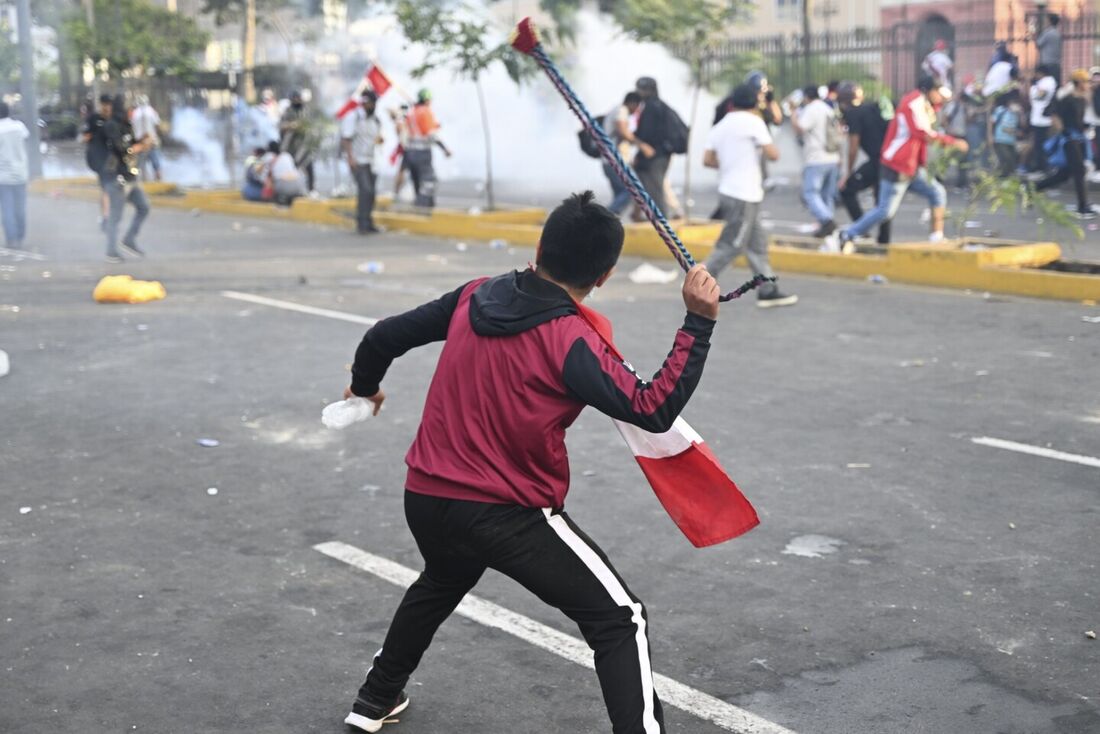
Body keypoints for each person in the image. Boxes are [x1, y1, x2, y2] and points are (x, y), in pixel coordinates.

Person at [339, 190, 721, 734]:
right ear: (605, 276)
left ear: (539, 246)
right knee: (619, 619)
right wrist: (698, 324)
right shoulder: (570, 338)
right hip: (505, 516)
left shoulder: (475, 295)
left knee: (443, 578)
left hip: (426, 497)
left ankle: (374, 700)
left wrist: (364, 388)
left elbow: (382, 337)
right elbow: (651, 408)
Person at [830, 76, 969, 252]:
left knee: (937, 193)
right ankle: (848, 234)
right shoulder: (913, 103)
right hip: (896, 165)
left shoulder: (922, 104)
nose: (940, 97)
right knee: (884, 210)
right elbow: (922, 133)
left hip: (909, 166)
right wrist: (953, 142)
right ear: (929, 90)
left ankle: (936, 238)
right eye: (937, 93)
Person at [702, 84, 797, 308]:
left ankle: (767, 289)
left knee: (757, 245)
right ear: (755, 103)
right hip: (743, 193)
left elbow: (707, 160)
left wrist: (730, 163)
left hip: (730, 190)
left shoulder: (720, 125)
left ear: (732, 103)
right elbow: (773, 154)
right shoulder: (754, 122)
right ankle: (698, 281)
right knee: (731, 244)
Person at [1036, 68, 1095, 219]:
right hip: (1069, 139)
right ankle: (1082, 207)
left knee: (1063, 175)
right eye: (1086, 81)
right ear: (1079, 83)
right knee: (1080, 171)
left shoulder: (1082, 99)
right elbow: (1053, 115)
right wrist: (1063, 131)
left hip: (1080, 138)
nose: (1089, 84)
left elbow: (1080, 121)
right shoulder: (1067, 99)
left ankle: (1033, 189)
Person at [837, 82, 891, 244]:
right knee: (883, 202)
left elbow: (853, 147)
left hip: (878, 161)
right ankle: (883, 240)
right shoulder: (871, 108)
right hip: (888, 160)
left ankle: (861, 229)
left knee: (847, 190)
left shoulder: (853, 114)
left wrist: (848, 173)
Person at [100, 95, 151, 263]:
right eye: (130, 110)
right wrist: (136, 147)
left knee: (143, 207)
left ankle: (129, 238)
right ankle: (111, 250)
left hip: (130, 175)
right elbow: (120, 148)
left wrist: (142, 141)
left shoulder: (126, 125)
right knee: (116, 215)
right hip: (116, 177)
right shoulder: (111, 126)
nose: (132, 113)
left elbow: (130, 143)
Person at [791, 85, 841, 237]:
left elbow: (801, 128)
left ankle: (827, 221)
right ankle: (826, 227)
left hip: (817, 158)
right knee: (827, 195)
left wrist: (793, 112)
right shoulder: (828, 109)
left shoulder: (812, 109)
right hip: (832, 156)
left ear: (806, 97)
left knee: (810, 193)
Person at [632, 76, 686, 217]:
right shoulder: (661, 106)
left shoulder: (650, 108)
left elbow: (647, 134)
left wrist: (639, 154)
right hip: (663, 154)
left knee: (655, 191)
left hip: (654, 156)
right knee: (655, 188)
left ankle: (661, 223)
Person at [341, 89, 384, 234]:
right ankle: (361, 222)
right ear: (366, 103)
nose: (373, 106)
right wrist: (350, 158)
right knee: (365, 190)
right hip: (358, 161)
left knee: (371, 194)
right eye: (372, 103)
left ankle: (368, 221)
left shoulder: (376, 120)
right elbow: (346, 139)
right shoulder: (353, 117)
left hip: (372, 161)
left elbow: (377, 138)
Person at [403, 89, 452, 209]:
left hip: (410, 151)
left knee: (417, 182)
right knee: (429, 182)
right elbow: (431, 134)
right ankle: (422, 206)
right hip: (422, 151)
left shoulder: (412, 112)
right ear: (427, 99)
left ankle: (421, 205)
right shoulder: (425, 112)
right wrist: (444, 148)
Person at [603, 91, 642, 215]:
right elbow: (623, 131)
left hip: (609, 160)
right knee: (630, 190)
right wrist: (642, 145)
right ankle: (604, 216)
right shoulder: (622, 110)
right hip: (614, 161)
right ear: (632, 103)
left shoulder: (615, 109)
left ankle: (609, 222)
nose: (636, 111)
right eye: (637, 107)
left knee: (619, 194)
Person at [0, 101, 29, 250]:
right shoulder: (19, 126)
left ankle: (11, 239)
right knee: (20, 207)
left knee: (7, 208)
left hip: (3, 176)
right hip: (20, 173)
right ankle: (20, 235)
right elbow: (25, 139)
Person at [279, 91, 317, 193]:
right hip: (291, 146)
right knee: (292, 170)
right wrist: (292, 125)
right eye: (294, 98)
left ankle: (311, 189)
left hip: (304, 145)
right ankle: (292, 190)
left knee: (309, 167)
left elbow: (311, 125)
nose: (297, 100)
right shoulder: (288, 111)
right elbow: (282, 126)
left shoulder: (306, 110)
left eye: (298, 98)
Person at [1028, 66, 1058, 173]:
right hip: (1038, 118)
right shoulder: (1043, 82)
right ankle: (1039, 164)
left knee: (1042, 144)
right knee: (1038, 144)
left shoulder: (1047, 82)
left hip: (1043, 119)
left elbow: (1040, 95)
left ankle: (1043, 165)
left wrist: (1032, 89)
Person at [989, 89, 1024, 177]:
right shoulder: (1001, 110)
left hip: (1011, 140)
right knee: (1005, 159)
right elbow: (991, 123)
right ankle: (1000, 177)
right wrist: (990, 136)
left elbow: (1023, 124)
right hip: (1000, 139)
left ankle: (1007, 178)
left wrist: (1021, 114)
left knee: (1012, 161)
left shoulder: (1016, 113)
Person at [130, 95, 162, 182]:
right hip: (151, 141)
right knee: (155, 161)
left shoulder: (135, 113)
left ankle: (136, 180)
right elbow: (157, 125)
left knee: (138, 163)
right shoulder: (151, 111)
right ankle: (158, 178)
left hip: (140, 142)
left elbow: (132, 126)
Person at [269, 141, 306, 206]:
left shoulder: (271, 158)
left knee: (273, 180)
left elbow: (271, 177)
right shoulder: (287, 155)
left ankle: (278, 198)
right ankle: (291, 197)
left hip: (283, 186)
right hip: (297, 185)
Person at [1036, 14, 1063, 83]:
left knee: (1045, 83)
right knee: (1055, 84)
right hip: (1056, 63)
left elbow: (1038, 44)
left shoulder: (1047, 33)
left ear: (1050, 21)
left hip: (1047, 63)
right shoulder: (1058, 34)